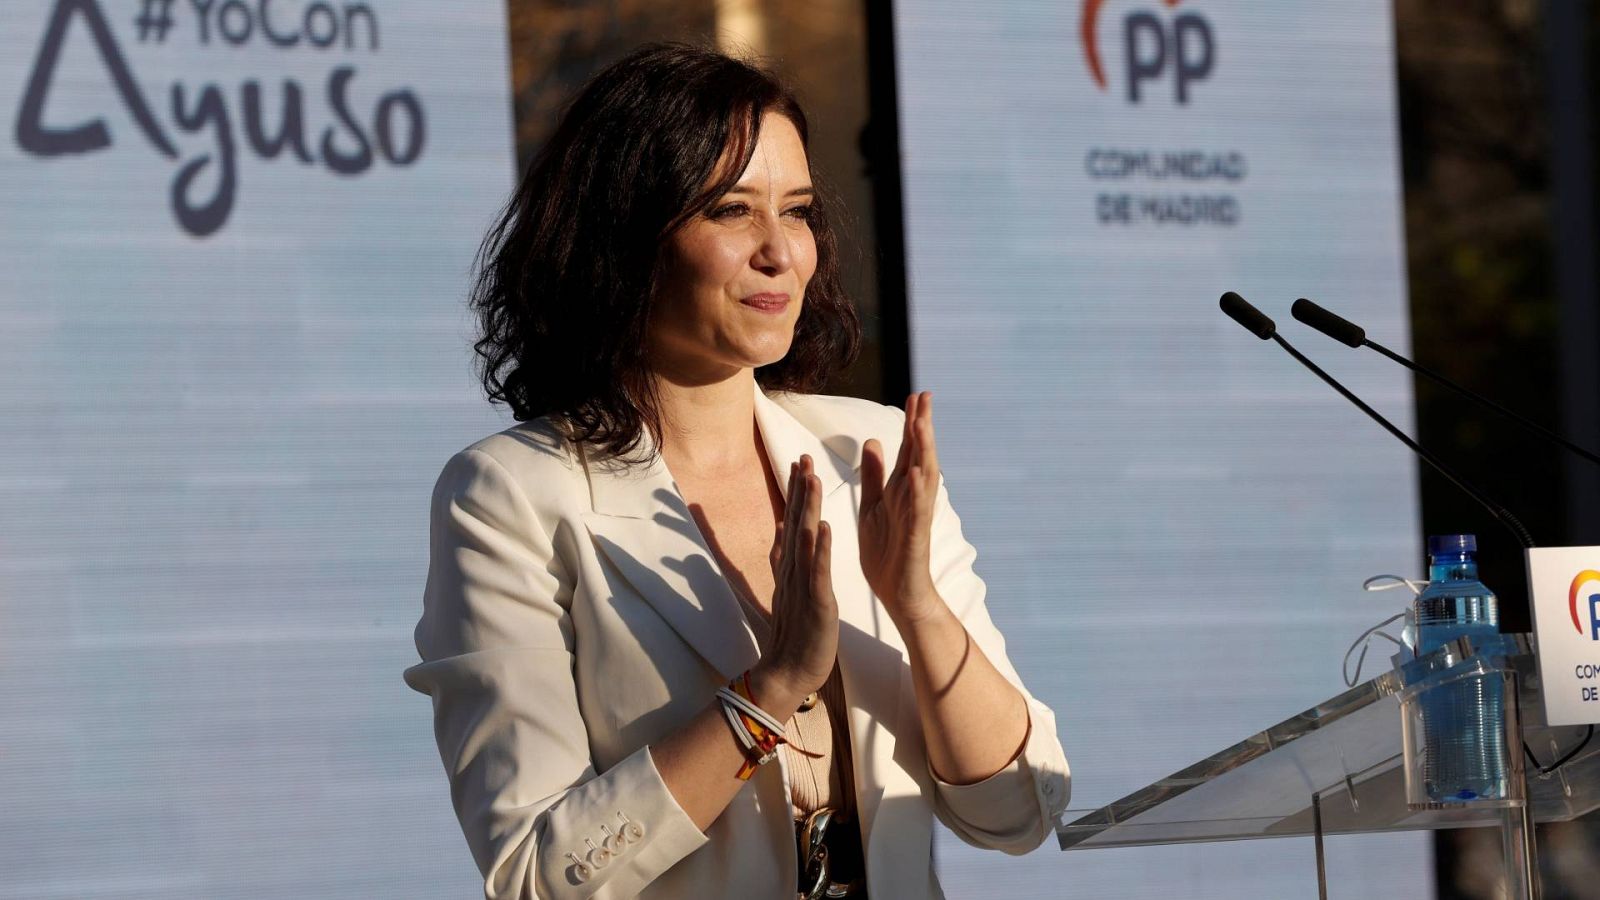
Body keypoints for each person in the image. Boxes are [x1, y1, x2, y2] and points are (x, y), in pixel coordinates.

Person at [402, 42, 1070, 900]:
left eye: (796, 212)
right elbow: (538, 871)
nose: (780, 252)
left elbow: (1021, 812)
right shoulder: (511, 496)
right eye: (729, 211)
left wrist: (919, 608)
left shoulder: (869, 453)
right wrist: (769, 691)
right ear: (624, 241)